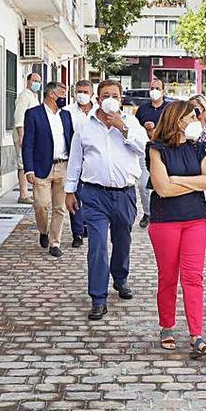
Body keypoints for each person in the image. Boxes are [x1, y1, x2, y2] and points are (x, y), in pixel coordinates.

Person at [65, 80, 149, 320]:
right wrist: (70, 191)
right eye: (105, 95)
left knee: (123, 240)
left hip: (124, 194)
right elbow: (75, 161)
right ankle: (98, 297)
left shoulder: (131, 123)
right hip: (94, 194)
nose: (110, 98)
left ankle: (120, 278)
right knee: (98, 245)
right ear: (98, 99)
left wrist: (123, 128)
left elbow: (144, 149)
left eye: (115, 94)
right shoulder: (85, 126)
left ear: (121, 98)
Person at [146, 101, 206, 358]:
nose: (196, 120)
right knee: (168, 276)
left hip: (195, 219)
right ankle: (167, 327)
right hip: (165, 221)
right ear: (178, 120)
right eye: (191, 116)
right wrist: (193, 184)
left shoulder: (198, 147)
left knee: (193, 278)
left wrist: (178, 179)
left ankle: (197, 335)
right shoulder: (156, 149)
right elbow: (162, 189)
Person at [22, 82, 74, 258]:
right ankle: (43, 231)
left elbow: (71, 140)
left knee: (60, 208)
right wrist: (28, 169)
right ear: (52, 94)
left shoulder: (66, 116)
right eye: (62, 93)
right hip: (41, 167)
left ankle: (55, 243)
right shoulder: (33, 114)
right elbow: (27, 143)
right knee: (41, 205)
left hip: (63, 166)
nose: (64, 97)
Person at [65, 80, 98, 248]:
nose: (82, 95)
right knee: (75, 195)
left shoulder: (100, 111)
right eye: (79, 91)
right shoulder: (67, 112)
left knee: (92, 196)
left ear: (92, 93)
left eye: (85, 91)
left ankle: (87, 225)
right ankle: (77, 232)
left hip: (94, 161)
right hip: (75, 159)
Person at [135, 78, 168, 229]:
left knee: (164, 183)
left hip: (165, 151)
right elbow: (134, 130)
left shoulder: (169, 108)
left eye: (157, 88)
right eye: (152, 87)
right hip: (145, 151)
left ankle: (164, 212)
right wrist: (145, 129)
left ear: (163, 91)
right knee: (143, 185)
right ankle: (148, 212)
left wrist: (156, 130)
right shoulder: (142, 109)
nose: (154, 91)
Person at [13, 73, 41, 204]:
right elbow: (19, 118)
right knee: (23, 164)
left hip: (33, 135)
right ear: (28, 81)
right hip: (23, 133)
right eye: (34, 80)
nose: (37, 83)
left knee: (31, 163)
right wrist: (21, 135)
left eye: (38, 81)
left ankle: (32, 193)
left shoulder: (34, 96)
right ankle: (23, 194)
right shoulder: (24, 96)